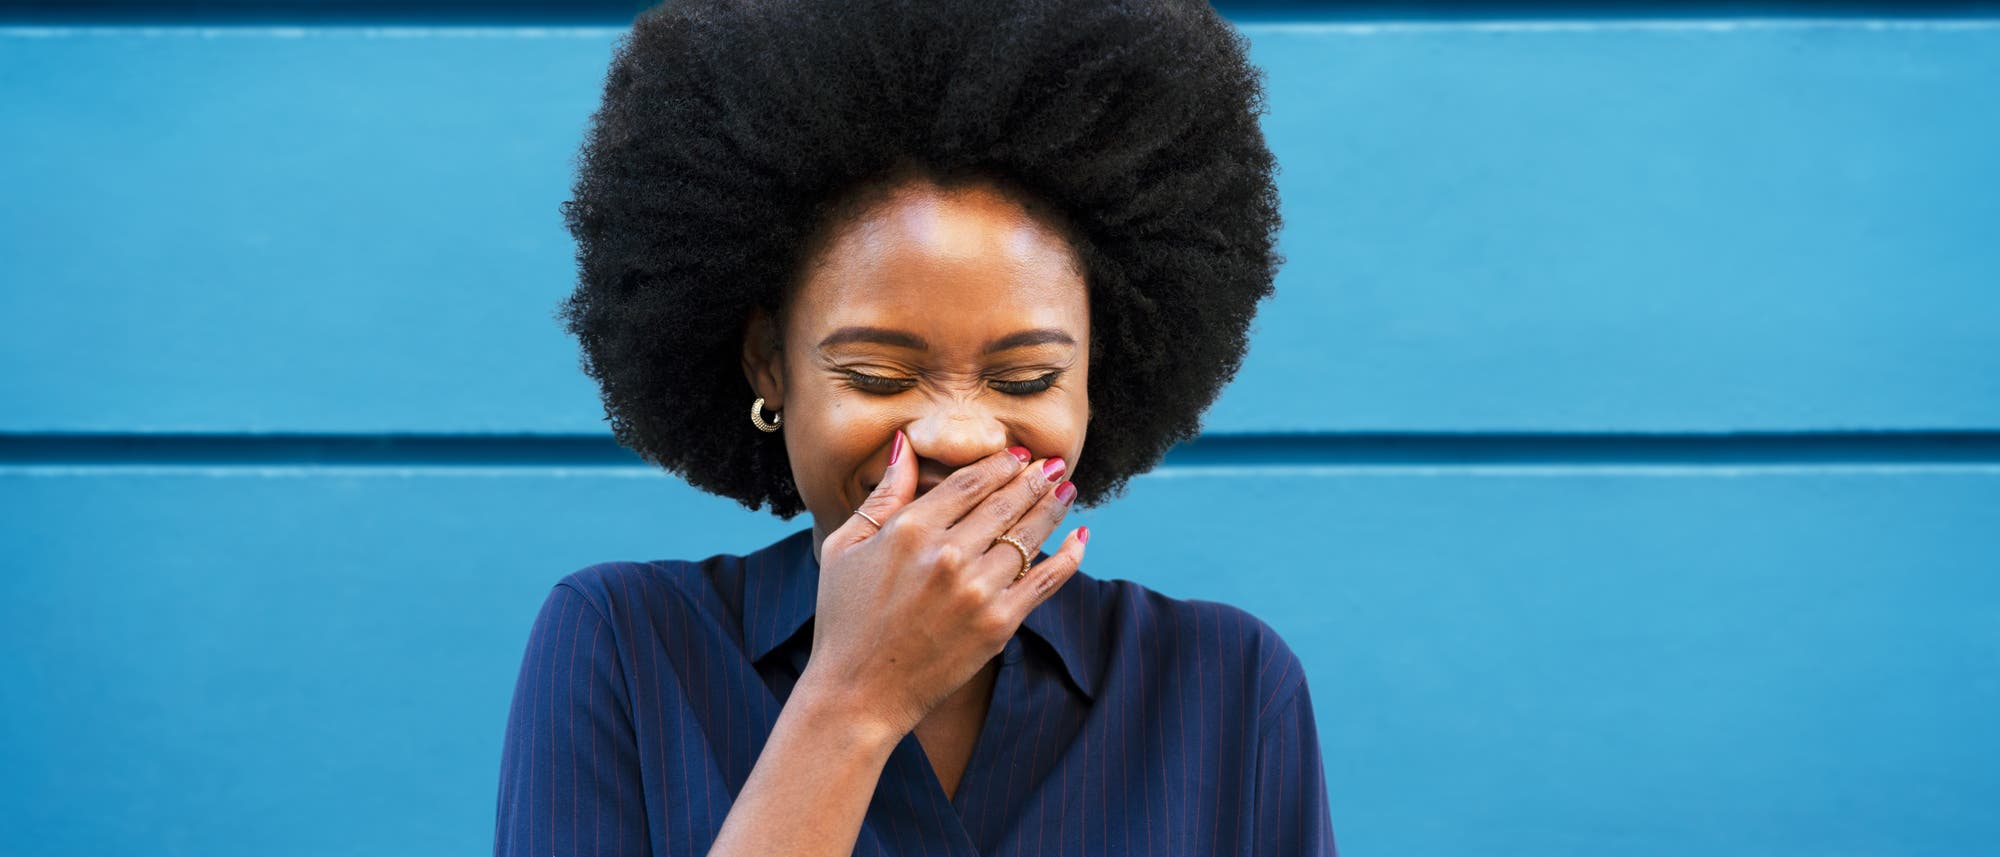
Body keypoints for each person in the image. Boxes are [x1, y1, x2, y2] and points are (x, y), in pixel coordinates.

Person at [494, 0, 1336, 854]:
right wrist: (853, 700)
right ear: (769, 364)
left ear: (1095, 378)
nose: (961, 434)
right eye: (878, 376)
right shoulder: (624, 645)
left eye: (1026, 377)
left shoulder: (1229, 686)